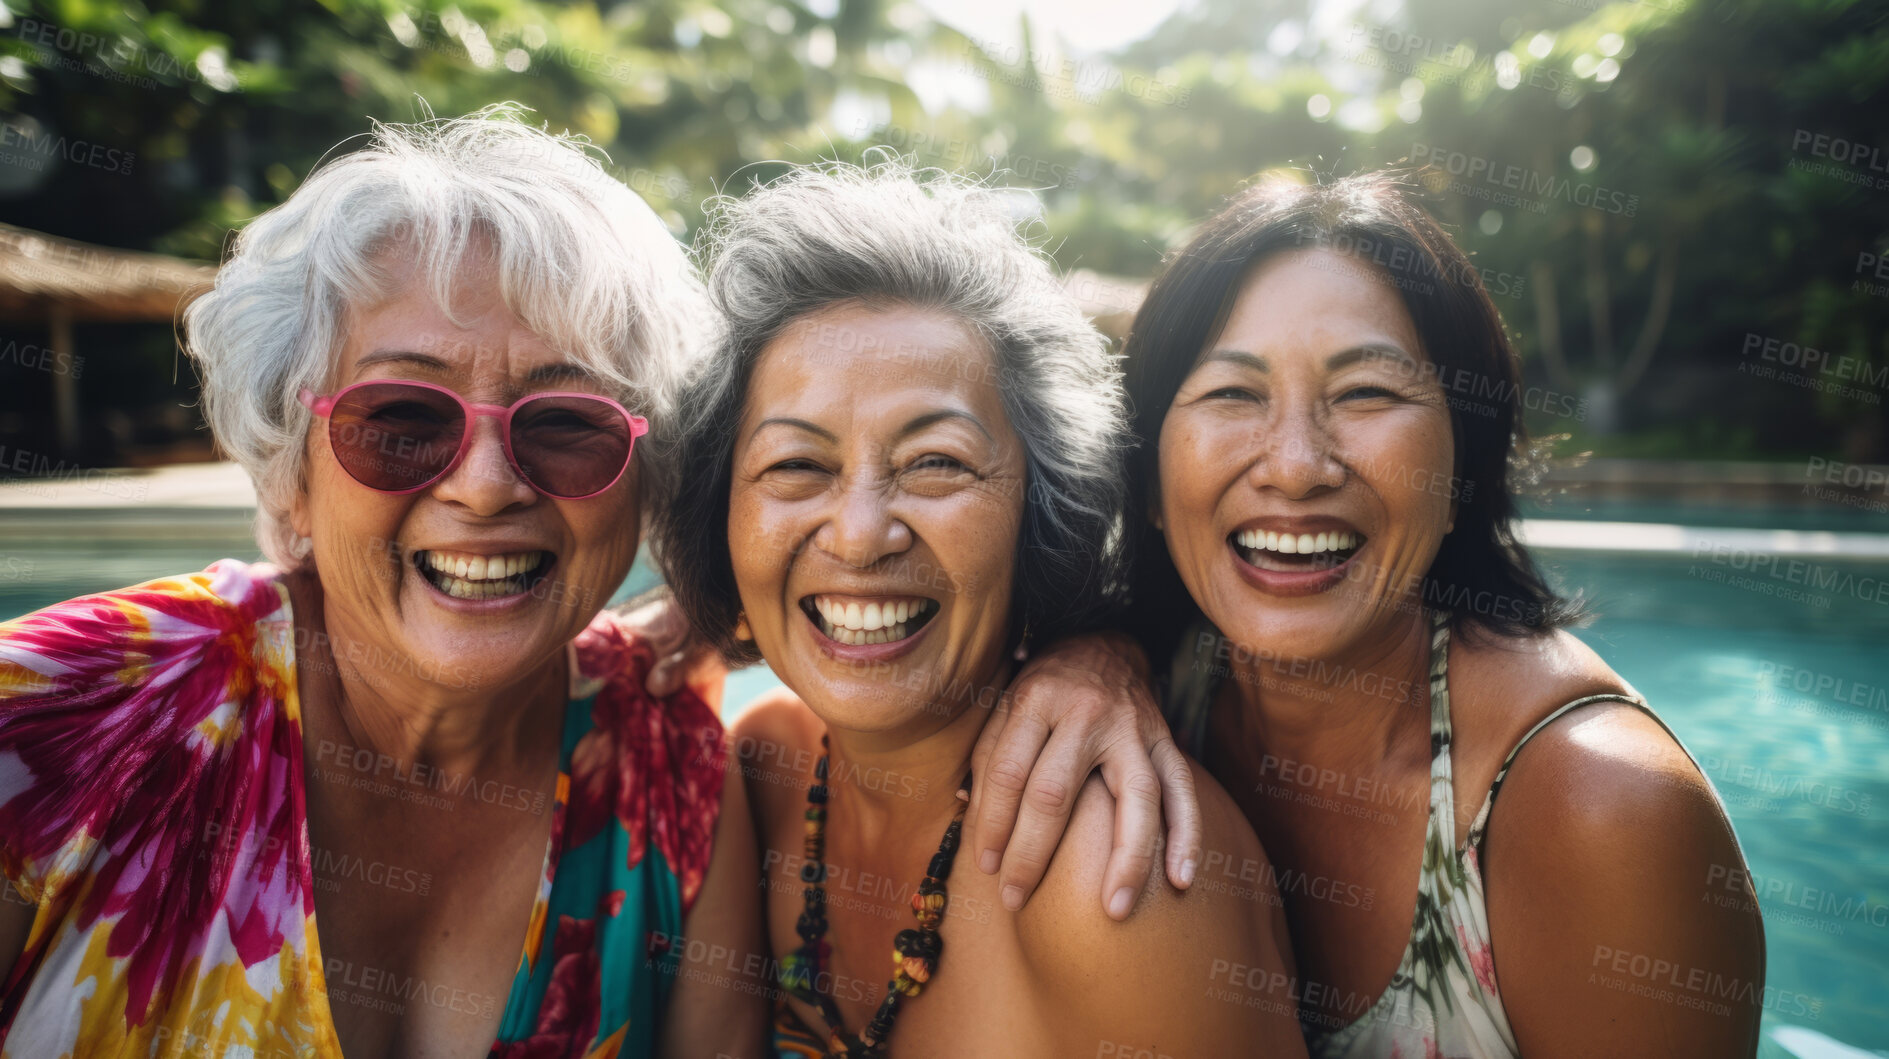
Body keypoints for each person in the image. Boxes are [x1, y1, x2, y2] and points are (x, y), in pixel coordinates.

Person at [0, 108, 1201, 1059]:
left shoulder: (668, 762)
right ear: (292, 475)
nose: (481, 485)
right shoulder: (67, 719)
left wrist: (1098, 644)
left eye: (564, 425)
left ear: (642, 478)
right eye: (401, 420)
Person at [657, 162, 1309, 1058]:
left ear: (1041, 511)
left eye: (936, 463)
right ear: (719, 515)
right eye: (796, 467)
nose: (858, 534)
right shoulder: (764, 768)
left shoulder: (1111, 874)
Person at [1115, 171, 1767, 1056]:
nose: (1297, 465)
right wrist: (1086, 664)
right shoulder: (1139, 690)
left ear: (1463, 471)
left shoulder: (1601, 808)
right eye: (1232, 395)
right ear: (1149, 479)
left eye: (1366, 394)